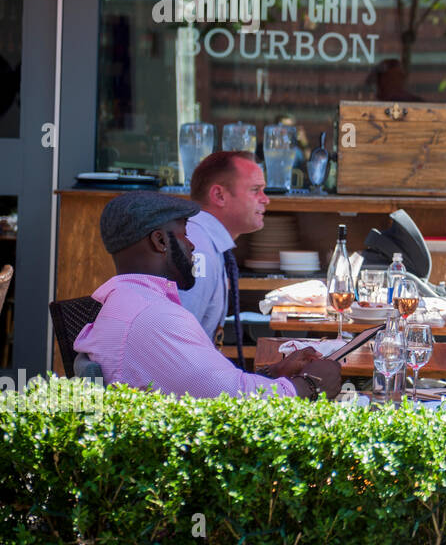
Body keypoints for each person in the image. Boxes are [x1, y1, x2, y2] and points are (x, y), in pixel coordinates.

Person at [75, 191, 341, 400]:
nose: (191, 245)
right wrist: (308, 385)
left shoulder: (127, 301)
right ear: (160, 241)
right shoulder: (154, 318)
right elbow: (235, 403)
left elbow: (211, 385)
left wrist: (274, 373)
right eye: (184, 234)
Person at [179, 151, 270, 357]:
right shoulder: (196, 248)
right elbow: (177, 344)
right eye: (255, 190)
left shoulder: (204, 240)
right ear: (219, 195)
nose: (266, 200)